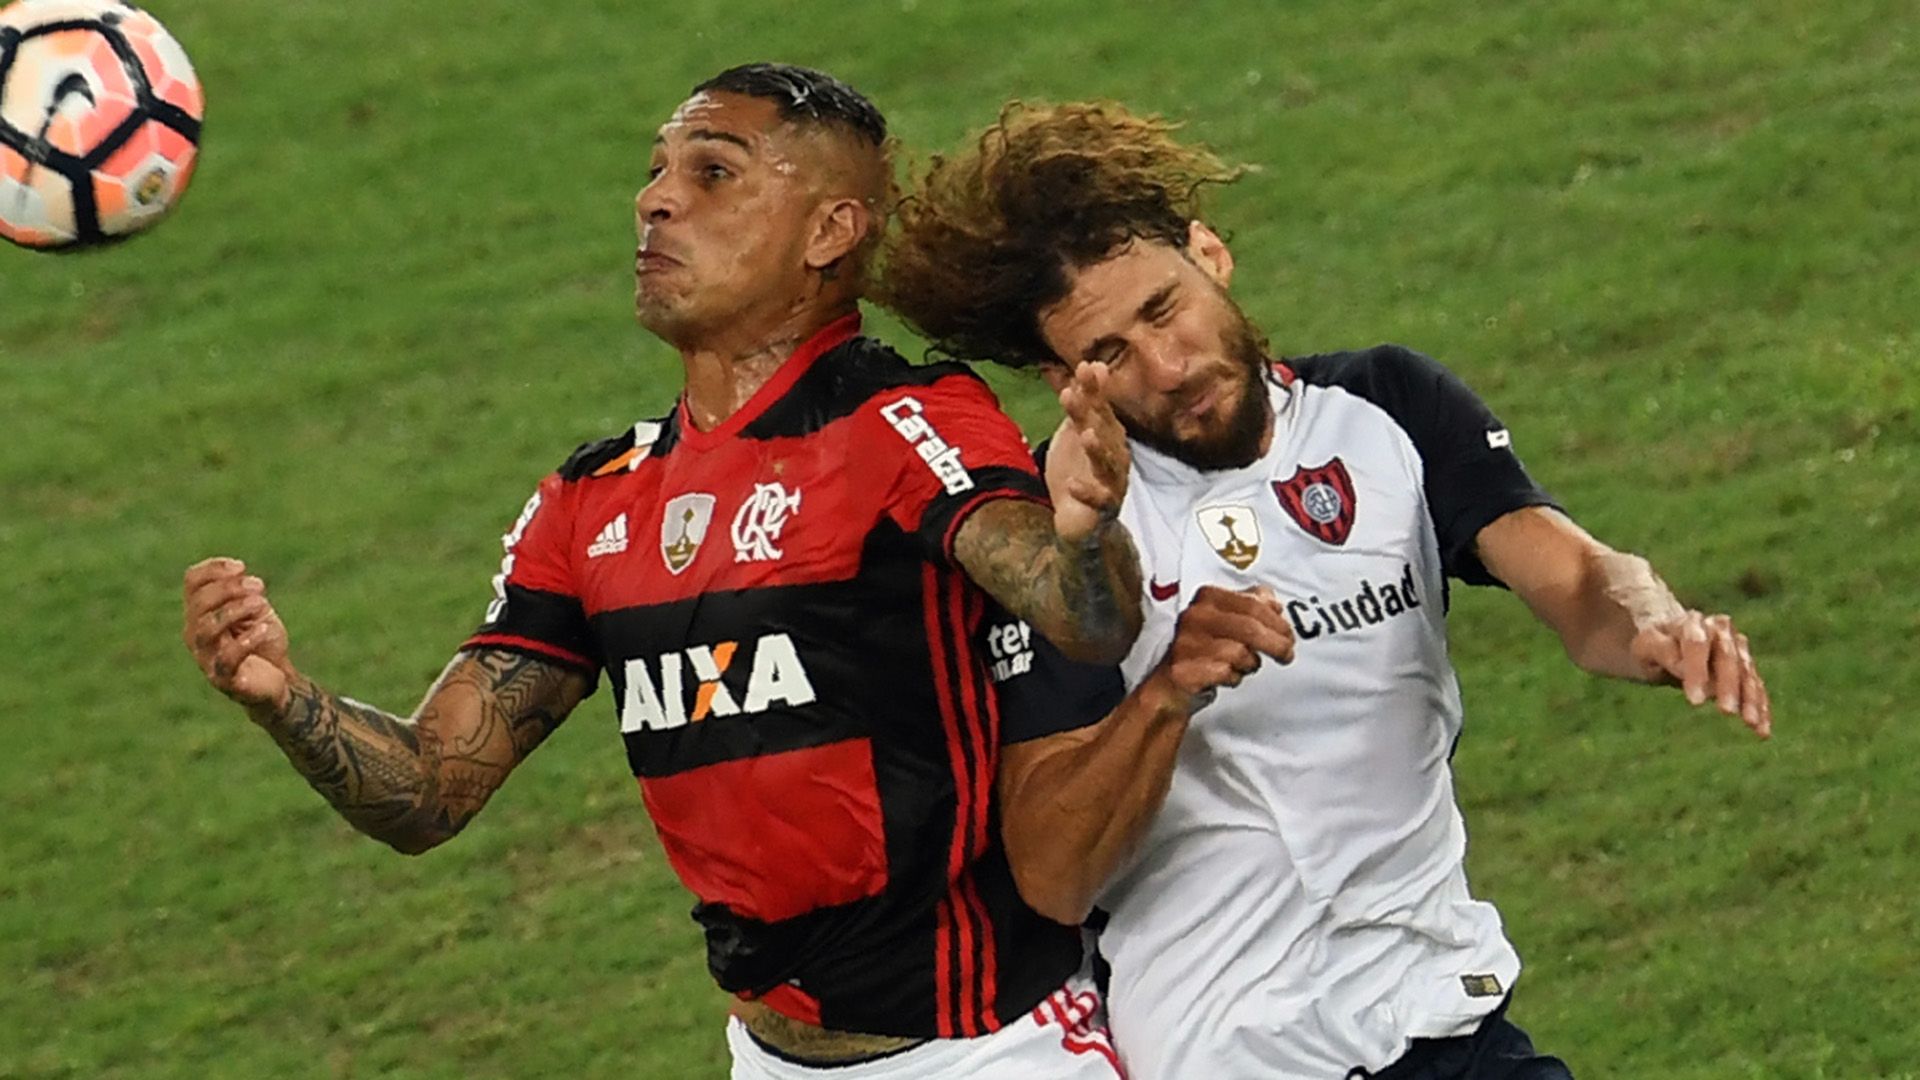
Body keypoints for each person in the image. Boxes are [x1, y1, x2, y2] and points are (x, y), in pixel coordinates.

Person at [180, 66, 1143, 1080]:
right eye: (655, 172)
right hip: (768, 1057)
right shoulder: (593, 500)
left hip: (988, 1051)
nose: (656, 199)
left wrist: (1086, 531)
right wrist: (282, 700)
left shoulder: (900, 423)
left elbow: (1085, 618)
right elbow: (430, 792)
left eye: (714, 172)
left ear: (829, 232)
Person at [879, 101, 1772, 1080]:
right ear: (1065, 378)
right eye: (1111, 355)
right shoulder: (1064, 534)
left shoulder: (1387, 411)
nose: (1168, 369)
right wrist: (1168, 694)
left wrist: (1654, 622)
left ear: (1210, 255)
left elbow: (1579, 581)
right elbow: (1051, 877)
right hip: (1225, 1052)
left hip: (1442, 1025)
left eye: (1163, 309)